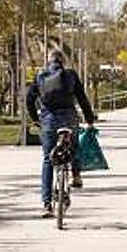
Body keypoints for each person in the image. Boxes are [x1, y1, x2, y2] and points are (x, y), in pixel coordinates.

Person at [26, 50, 97, 218]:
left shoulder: (40, 76)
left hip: (49, 120)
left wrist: (36, 119)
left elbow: (29, 100)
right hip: (69, 118)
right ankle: (76, 175)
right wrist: (89, 120)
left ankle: (47, 205)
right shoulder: (70, 75)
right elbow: (82, 99)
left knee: (47, 159)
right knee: (74, 144)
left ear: (49, 62)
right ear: (62, 62)